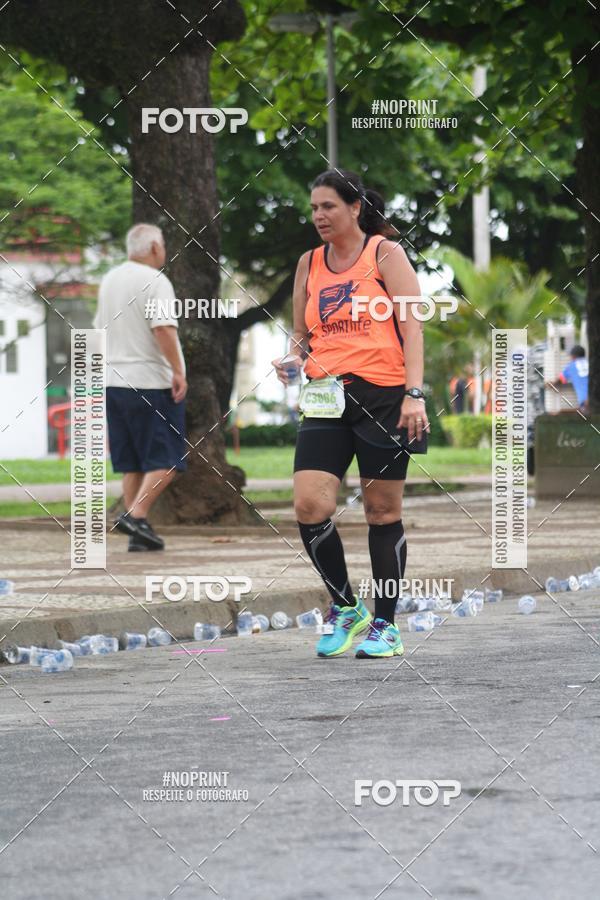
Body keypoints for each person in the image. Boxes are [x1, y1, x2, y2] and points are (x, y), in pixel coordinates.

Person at [273, 169, 429, 659]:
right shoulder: (308, 263)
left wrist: (415, 393)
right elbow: (302, 332)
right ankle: (345, 606)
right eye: (314, 207)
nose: (319, 216)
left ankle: (385, 624)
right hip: (325, 396)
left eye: (329, 207)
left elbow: (413, 327)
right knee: (309, 506)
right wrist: (292, 358)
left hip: (384, 396)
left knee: (381, 511)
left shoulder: (385, 254)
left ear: (355, 208)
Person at [94, 223, 187, 551]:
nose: (163, 249)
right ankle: (135, 515)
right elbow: (162, 328)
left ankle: (139, 534)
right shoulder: (155, 281)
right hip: (150, 382)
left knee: (132, 460)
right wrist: (178, 371)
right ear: (153, 248)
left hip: (114, 382)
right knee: (169, 457)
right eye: (161, 244)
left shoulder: (110, 280)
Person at [547, 344, 589, 412]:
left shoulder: (572, 366)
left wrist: (549, 384)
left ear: (573, 356)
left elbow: (559, 380)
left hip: (585, 402)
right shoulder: (590, 363)